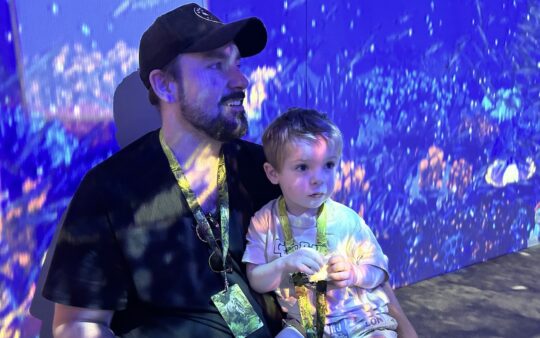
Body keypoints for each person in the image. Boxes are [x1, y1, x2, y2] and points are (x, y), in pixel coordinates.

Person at [41, 3, 416, 338]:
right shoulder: (109, 191)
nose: (241, 80)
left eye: (236, 63)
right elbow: (77, 324)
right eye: (215, 65)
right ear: (165, 84)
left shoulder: (268, 169)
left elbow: (356, 266)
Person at [243, 108, 405, 338]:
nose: (318, 178)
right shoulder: (264, 221)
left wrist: (354, 273)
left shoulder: (347, 220)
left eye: (328, 165)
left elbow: (379, 271)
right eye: (302, 167)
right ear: (273, 173)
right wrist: (284, 265)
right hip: (303, 324)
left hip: (361, 319)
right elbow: (255, 279)